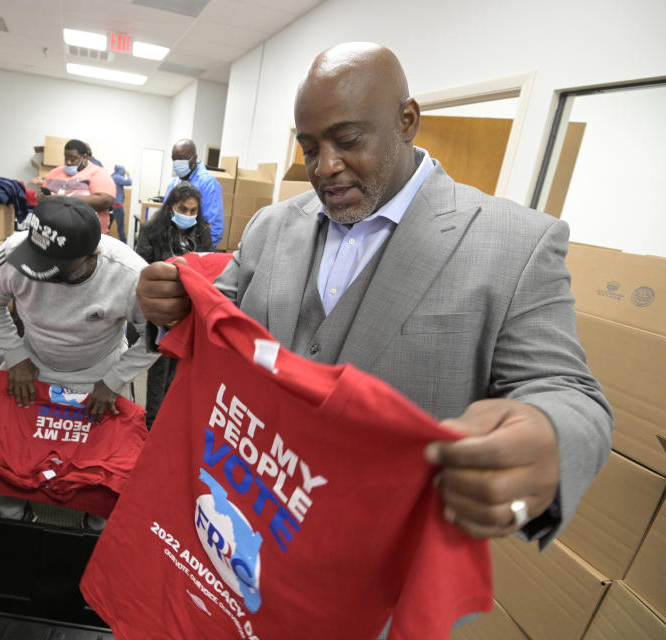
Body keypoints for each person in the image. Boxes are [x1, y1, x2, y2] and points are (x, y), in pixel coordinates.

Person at [136, 42, 613, 634]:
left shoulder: (515, 246)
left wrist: (549, 438)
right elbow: (219, 312)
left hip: (369, 592)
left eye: (347, 140)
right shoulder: (271, 226)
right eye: (309, 147)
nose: (324, 167)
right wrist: (167, 305)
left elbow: (565, 389)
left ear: (407, 121)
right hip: (233, 550)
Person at [0, 196, 158, 526]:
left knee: (106, 462)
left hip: (101, 371)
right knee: (9, 452)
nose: (42, 273)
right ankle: (16, 517)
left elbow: (158, 336)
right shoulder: (11, 255)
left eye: (59, 265)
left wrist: (115, 380)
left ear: (93, 256)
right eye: (39, 259)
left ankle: (94, 525)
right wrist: (15, 357)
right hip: (32, 363)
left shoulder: (130, 275)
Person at [135, 182, 213, 428]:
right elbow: (141, 267)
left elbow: (208, 266)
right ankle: (152, 422)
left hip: (188, 311)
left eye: (193, 211)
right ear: (171, 208)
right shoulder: (152, 231)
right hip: (160, 310)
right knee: (158, 368)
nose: (188, 215)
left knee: (180, 371)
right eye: (183, 209)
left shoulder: (202, 232)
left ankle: (168, 422)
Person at [37, 139, 115, 234]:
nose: (68, 162)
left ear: (85, 158)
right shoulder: (54, 173)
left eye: (73, 159)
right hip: (55, 233)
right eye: (66, 158)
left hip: (87, 235)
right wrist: (41, 197)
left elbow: (105, 200)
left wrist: (64, 200)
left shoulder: (98, 173)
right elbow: (43, 196)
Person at [163, 138, 225, 247]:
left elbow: (215, 229)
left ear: (194, 158)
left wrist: (193, 252)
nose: (176, 164)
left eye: (181, 159)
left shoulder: (208, 184)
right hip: (170, 247)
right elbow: (164, 215)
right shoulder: (175, 182)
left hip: (195, 252)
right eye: (174, 159)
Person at [110, 164, 131, 243]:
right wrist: (128, 175)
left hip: (112, 205)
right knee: (121, 227)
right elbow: (129, 182)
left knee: (110, 225)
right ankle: (124, 244)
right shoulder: (117, 177)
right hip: (118, 206)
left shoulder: (113, 176)